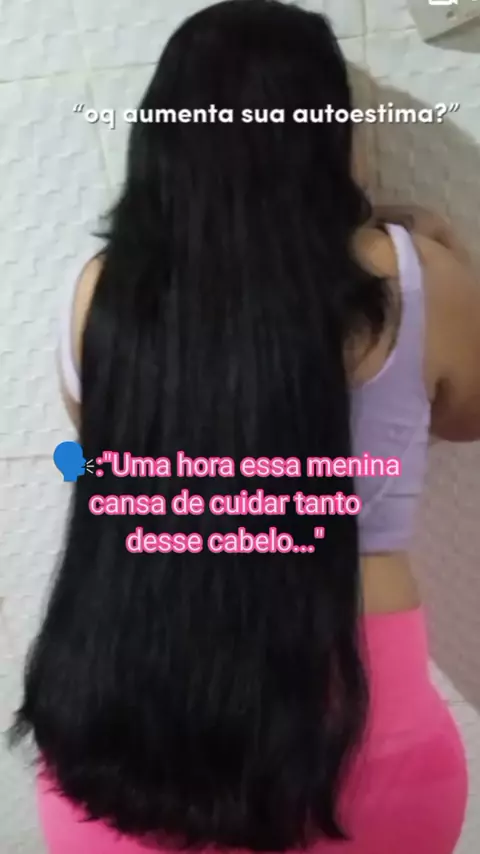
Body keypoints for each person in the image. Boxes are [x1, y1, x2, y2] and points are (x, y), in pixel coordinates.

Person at [11, 1, 480, 852]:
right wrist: (448, 258)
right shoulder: (414, 275)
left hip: (125, 748)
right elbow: (471, 415)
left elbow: (110, 451)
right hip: (368, 763)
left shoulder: (99, 294)